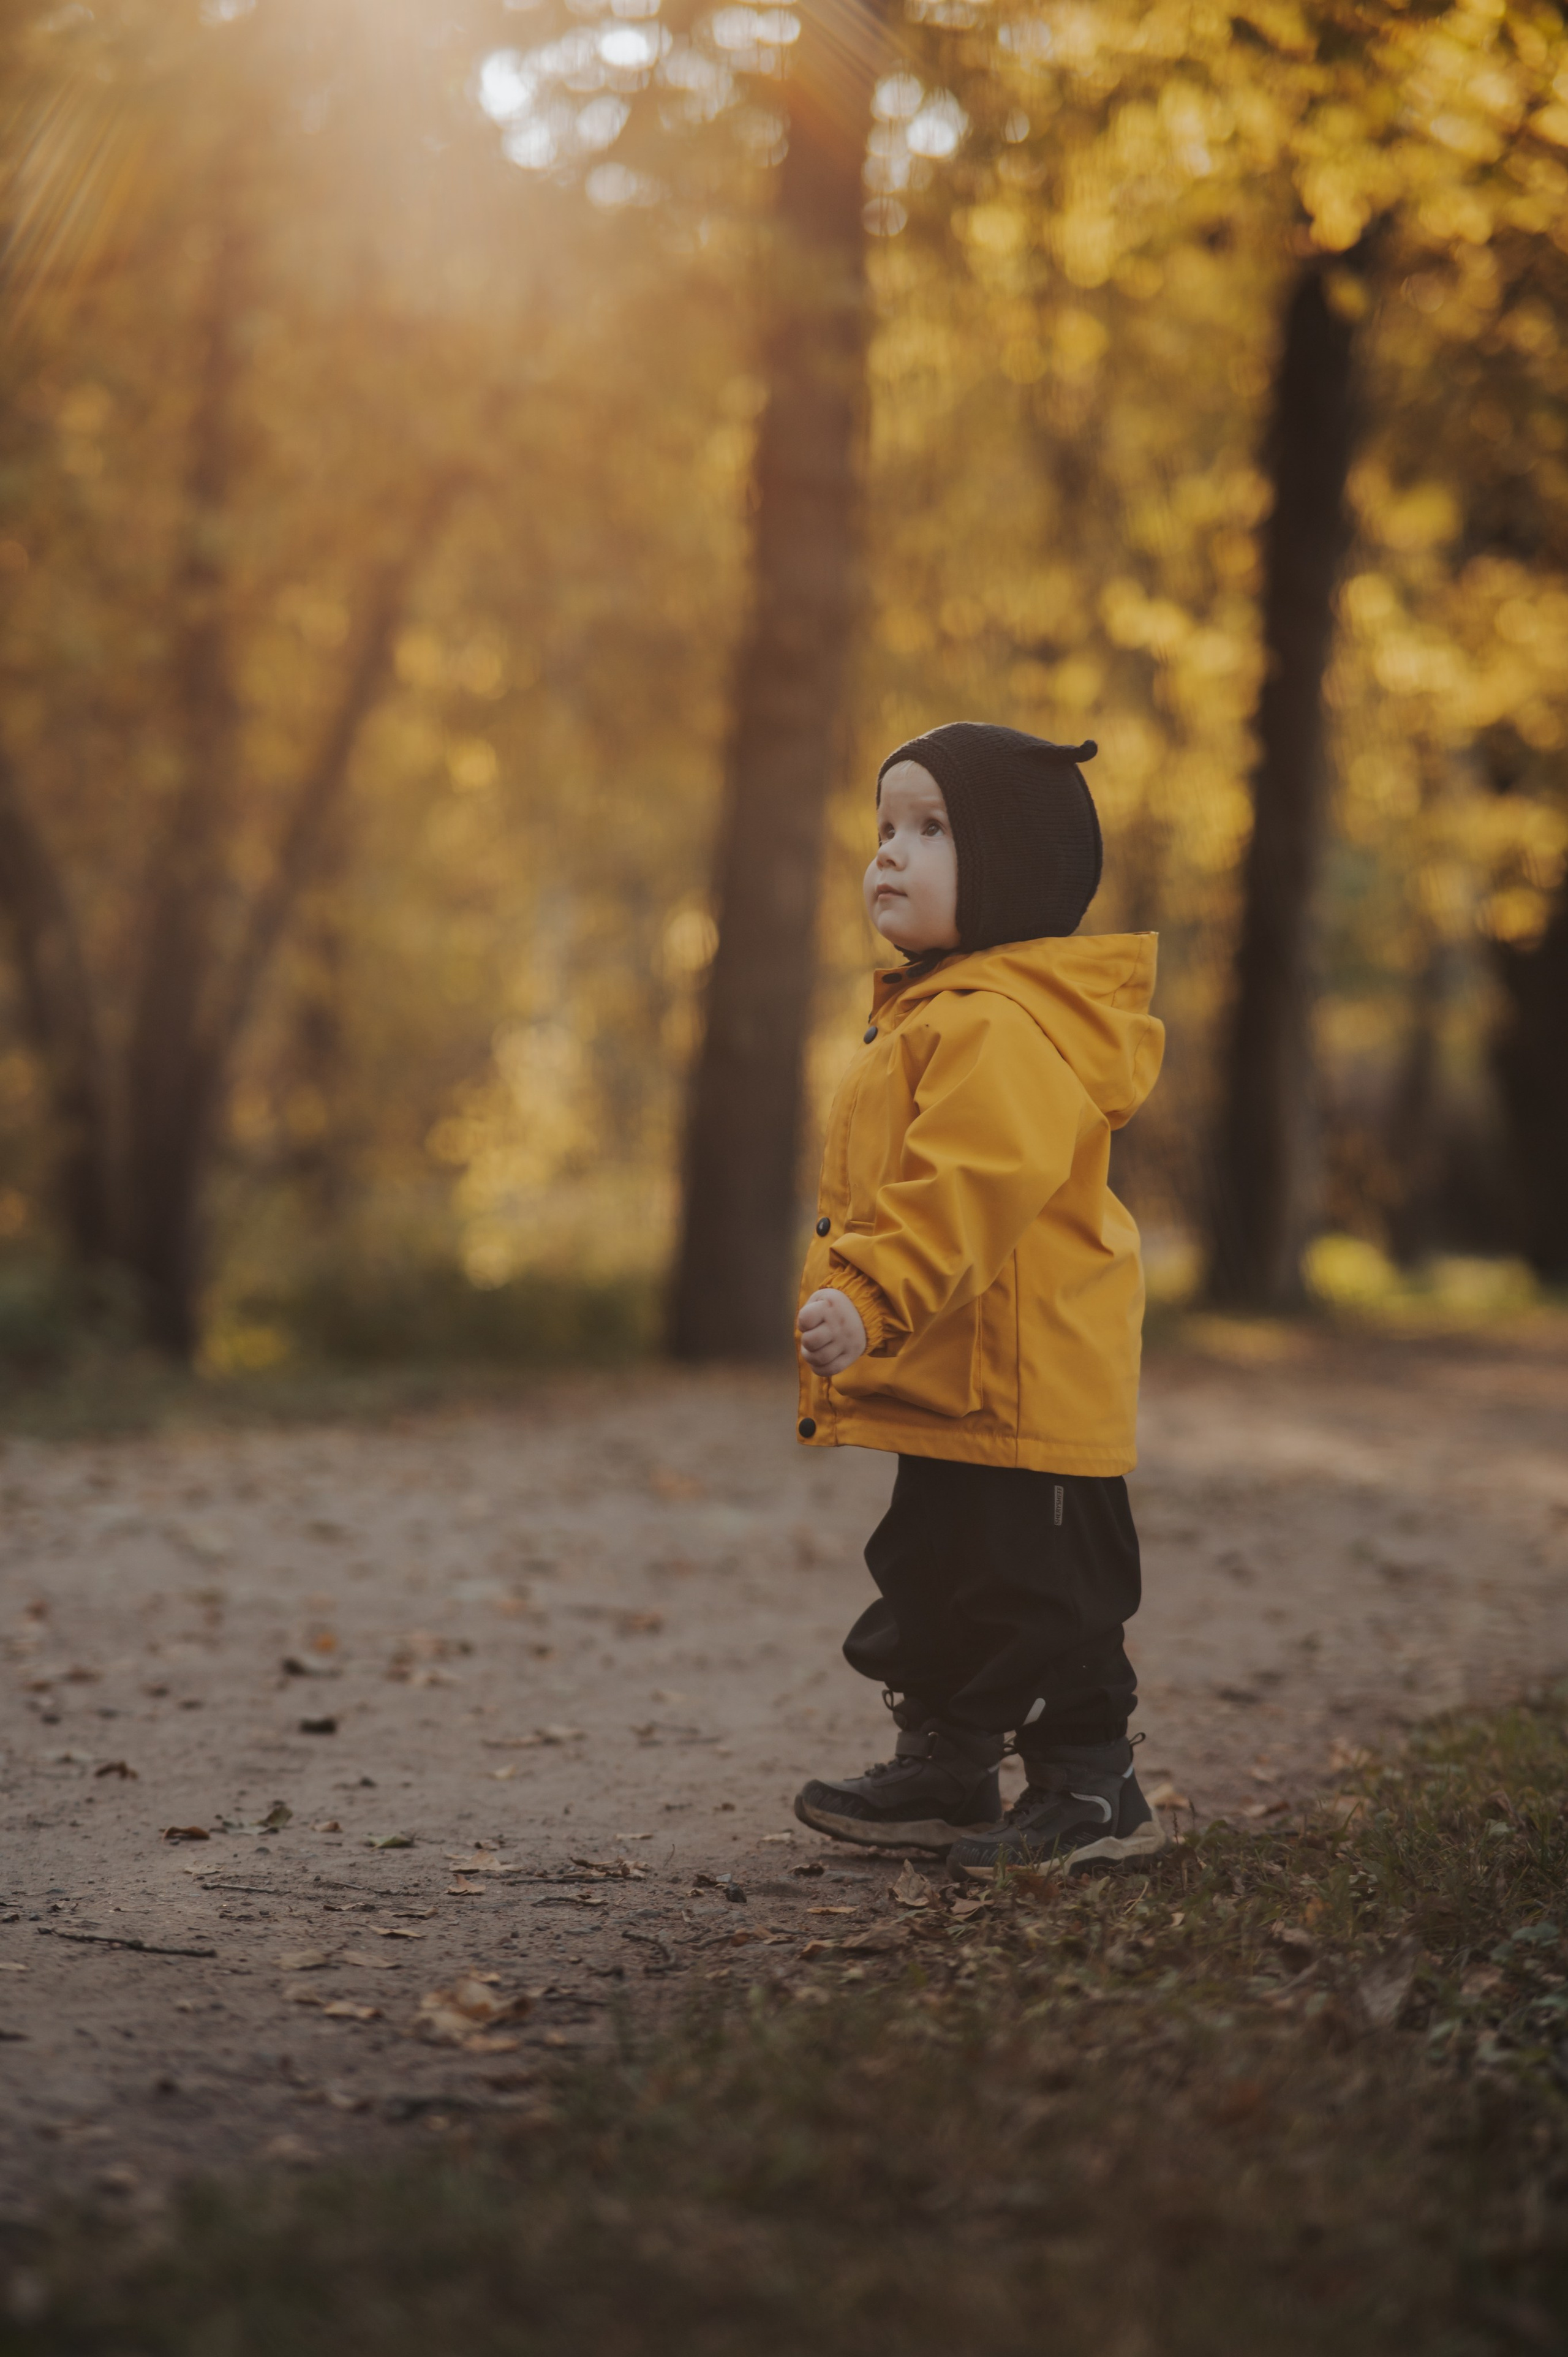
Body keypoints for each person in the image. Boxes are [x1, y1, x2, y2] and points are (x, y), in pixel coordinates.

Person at [793, 723, 1167, 1880]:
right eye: (885, 829)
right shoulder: (932, 1011)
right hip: (956, 1377)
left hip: (1027, 1380)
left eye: (932, 830)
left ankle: (1088, 1788)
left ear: (1008, 868)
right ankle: (948, 1763)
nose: (892, 855)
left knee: (1042, 1596)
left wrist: (867, 1290)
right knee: (936, 1576)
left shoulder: (1003, 1027)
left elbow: (962, 1190)